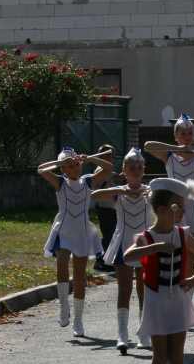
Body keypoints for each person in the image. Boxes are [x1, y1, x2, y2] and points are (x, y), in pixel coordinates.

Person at [123, 178, 194, 364]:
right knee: (160, 355)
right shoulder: (147, 237)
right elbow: (128, 256)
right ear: (162, 210)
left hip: (178, 300)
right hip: (156, 299)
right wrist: (155, 248)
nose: (182, 211)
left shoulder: (182, 234)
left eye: (182, 207)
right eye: (178, 206)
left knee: (178, 354)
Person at [37, 146, 112, 335]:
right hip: (63, 231)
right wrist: (60, 162)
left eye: (76, 164)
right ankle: (64, 306)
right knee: (61, 264)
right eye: (69, 166)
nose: (74, 168)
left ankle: (78, 320)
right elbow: (41, 170)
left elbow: (108, 169)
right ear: (63, 169)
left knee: (79, 276)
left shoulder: (87, 182)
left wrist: (90, 159)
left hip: (82, 232)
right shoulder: (60, 182)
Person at [90, 147, 152, 353]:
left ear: (144, 170)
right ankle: (122, 334)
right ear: (124, 170)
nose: (135, 170)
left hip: (144, 244)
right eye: (131, 167)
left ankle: (144, 332)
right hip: (123, 243)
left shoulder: (149, 191)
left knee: (145, 289)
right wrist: (121, 190)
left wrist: (150, 192)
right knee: (124, 289)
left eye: (139, 167)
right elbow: (94, 194)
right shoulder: (118, 192)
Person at [143, 114, 194, 237]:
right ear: (176, 136)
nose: (187, 137)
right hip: (174, 203)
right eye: (182, 134)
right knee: (175, 239)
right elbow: (148, 146)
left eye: (190, 133)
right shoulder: (169, 156)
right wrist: (176, 149)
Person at [91, 145, 118, 273]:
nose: (109, 158)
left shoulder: (106, 170)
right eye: (106, 155)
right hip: (104, 207)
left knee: (110, 234)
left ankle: (105, 260)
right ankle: (102, 261)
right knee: (108, 235)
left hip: (109, 207)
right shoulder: (101, 170)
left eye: (111, 155)